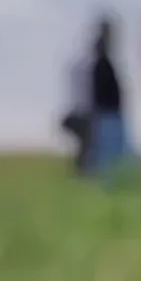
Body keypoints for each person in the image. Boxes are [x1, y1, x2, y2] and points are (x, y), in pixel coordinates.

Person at [89, 15, 131, 182]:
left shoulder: (102, 57)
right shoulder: (102, 59)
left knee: (108, 148)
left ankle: (110, 178)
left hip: (107, 109)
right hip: (107, 109)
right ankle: (107, 179)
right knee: (108, 149)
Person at [60, 30, 95, 176]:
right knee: (86, 142)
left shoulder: (76, 65)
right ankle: (83, 171)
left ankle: (82, 170)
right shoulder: (90, 66)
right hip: (83, 113)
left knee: (85, 144)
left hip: (75, 112)